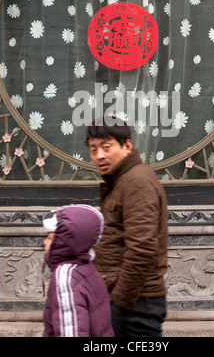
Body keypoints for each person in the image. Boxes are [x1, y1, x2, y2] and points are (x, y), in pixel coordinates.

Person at [86, 117, 168, 337]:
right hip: (128, 301)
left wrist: (119, 305)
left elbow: (141, 250)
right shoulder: (121, 180)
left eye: (106, 147)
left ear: (127, 146)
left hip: (136, 305)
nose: (99, 156)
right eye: (93, 150)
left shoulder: (136, 182)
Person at [42, 204, 114, 337]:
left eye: (50, 239)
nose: (44, 243)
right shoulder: (86, 268)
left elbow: (71, 330)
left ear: (65, 241)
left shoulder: (66, 276)